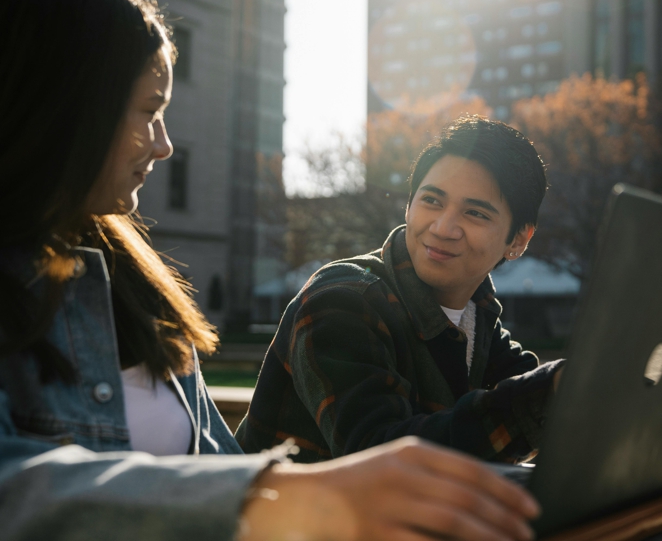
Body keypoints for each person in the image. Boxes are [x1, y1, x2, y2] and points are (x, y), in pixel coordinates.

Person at [0, 0, 541, 541]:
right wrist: (275, 501)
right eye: (150, 110)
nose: (164, 144)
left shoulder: (124, 280)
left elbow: (217, 462)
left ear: (518, 241)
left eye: (476, 213)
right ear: (59, 109)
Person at [237, 116, 565, 464]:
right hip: (281, 516)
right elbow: (377, 457)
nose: (442, 228)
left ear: (518, 239)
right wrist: (543, 396)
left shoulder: (475, 315)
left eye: (474, 213)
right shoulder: (343, 299)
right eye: (432, 201)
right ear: (408, 205)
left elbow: (538, 398)